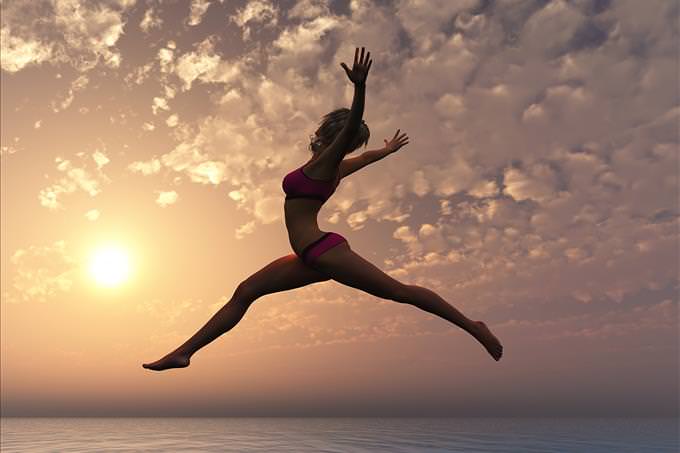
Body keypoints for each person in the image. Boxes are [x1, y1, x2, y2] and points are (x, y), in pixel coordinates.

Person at [143, 47, 502, 371]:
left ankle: (474, 328)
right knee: (245, 292)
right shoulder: (335, 166)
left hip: (322, 250)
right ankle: (184, 353)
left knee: (399, 292)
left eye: (348, 137)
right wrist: (387, 150)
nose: (347, 143)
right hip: (307, 256)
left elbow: (350, 140)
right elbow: (365, 156)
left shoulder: (328, 163)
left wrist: (359, 88)